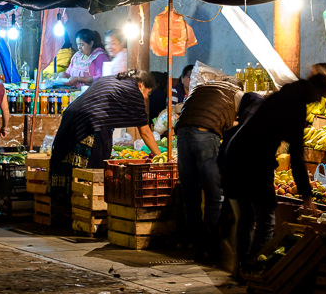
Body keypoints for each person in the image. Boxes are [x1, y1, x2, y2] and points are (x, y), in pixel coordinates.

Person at [221, 66, 326, 274]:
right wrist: (306, 194)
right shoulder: (295, 106)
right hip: (254, 160)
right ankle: (256, 267)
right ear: (316, 91)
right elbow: (296, 155)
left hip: (237, 155)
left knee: (247, 217)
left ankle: (243, 266)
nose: (320, 100)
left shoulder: (287, 94)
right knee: (266, 217)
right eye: (322, 95)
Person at [49, 70, 162, 214]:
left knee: (71, 166)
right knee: (93, 169)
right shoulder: (133, 90)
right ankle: (90, 210)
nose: (146, 97)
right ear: (141, 85)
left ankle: (68, 207)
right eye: (148, 93)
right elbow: (145, 131)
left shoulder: (112, 79)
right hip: (89, 125)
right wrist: (159, 156)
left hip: (72, 117)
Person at [174, 77, 244, 262]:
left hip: (182, 133)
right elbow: (240, 125)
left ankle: (195, 244)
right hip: (205, 134)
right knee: (215, 195)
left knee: (191, 194)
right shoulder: (236, 93)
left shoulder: (201, 88)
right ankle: (209, 247)